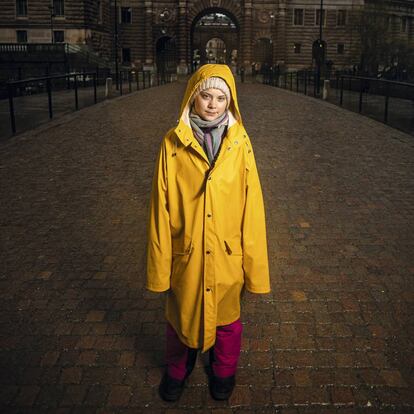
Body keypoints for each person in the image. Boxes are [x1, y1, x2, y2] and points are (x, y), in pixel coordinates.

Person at [146, 64, 270, 402]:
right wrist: (159, 270)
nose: (212, 104)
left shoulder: (241, 142)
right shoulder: (172, 143)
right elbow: (161, 208)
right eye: (206, 95)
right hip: (185, 251)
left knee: (228, 321)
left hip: (228, 253)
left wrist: (254, 268)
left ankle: (224, 369)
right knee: (179, 318)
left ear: (229, 103)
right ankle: (177, 368)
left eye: (220, 98)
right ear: (193, 96)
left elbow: (252, 206)